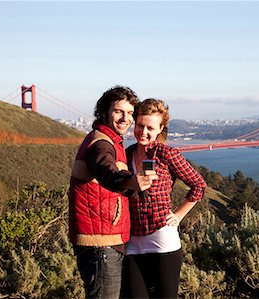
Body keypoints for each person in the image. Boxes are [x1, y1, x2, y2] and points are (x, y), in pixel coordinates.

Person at [68, 86, 158, 299]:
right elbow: (107, 172)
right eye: (118, 111)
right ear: (105, 113)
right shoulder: (101, 144)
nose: (125, 118)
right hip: (100, 242)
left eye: (130, 113)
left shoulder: (113, 142)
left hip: (110, 237)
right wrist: (129, 181)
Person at [122, 98, 207, 298]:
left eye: (150, 128)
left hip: (162, 240)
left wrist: (178, 215)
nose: (143, 132)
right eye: (140, 125)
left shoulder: (166, 153)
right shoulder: (127, 154)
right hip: (133, 241)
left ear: (160, 128)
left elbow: (199, 185)